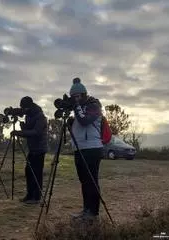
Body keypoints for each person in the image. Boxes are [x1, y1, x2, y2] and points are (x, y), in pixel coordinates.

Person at [68, 78, 103, 219]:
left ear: (84, 94)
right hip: (80, 148)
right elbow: (78, 123)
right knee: (84, 181)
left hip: (92, 148)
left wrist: (75, 107)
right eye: (73, 97)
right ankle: (86, 210)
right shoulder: (80, 107)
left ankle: (93, 212)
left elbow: (84, 121)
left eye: (77, 96)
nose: (75, 99)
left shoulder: (94, 105)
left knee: (91, 181)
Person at [11, 96, 48, 204]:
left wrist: (20, 132)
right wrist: (23, 127)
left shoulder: (40, 116)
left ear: (29, 106)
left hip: (40, 148)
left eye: (24, 107)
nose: (23, 110)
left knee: (37, 173)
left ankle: (36, 198)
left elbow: (36, 132)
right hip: (32, 148)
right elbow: (28, 133)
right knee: (28, 171)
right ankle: (29, 195)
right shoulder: (29, 116)